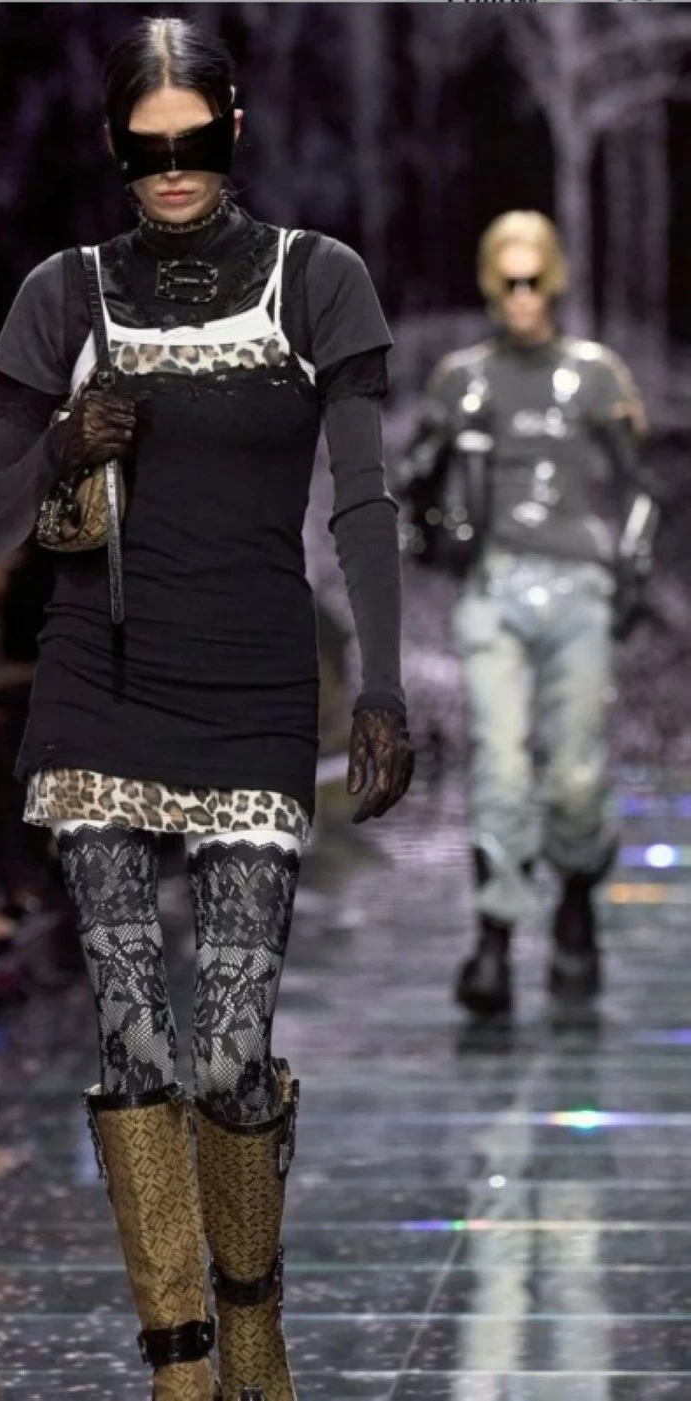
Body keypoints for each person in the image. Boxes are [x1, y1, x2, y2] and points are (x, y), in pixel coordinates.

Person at [0, 18, 413, 1399]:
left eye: (195, 142)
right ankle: (178, 1361)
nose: (172, 167)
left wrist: (381, 684)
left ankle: (252, 1321)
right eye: (146, 147)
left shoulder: (315, 279)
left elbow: (363, 501)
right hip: (98, 684)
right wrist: (62, 442)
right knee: (134, 1035)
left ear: (235, 130)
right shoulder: (64, 294)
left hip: (253, 684)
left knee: (228, 1047)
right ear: (114, 146)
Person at [396, 211, 658, 1019]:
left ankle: (575, 900)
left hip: (579, 582)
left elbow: (637, 487)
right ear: (487, 283)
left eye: (533, 279)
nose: (520, 294)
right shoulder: (463, 379)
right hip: (496, 584)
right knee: (500, 765)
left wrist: (632, 573)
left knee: (576, 772)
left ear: (555, 281)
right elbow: (414, 481)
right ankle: (495, 934)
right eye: (506, 280)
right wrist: (434, 499)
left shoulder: (595, 374)